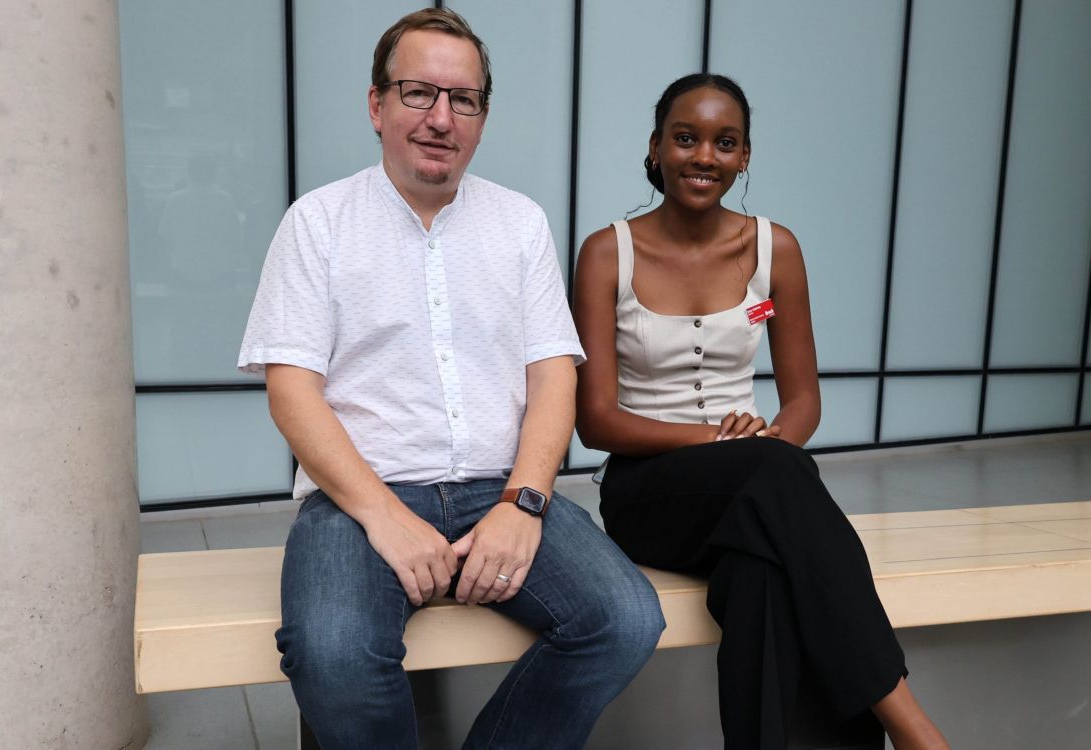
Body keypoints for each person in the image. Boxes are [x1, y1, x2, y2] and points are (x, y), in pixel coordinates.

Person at [237, 9, 663, 750]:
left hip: (497, 487)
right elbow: (292, 390)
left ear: (482, 116)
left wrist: (525, 503)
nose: (441, 118)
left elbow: (553, 376)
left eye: (462, 99)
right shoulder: (319, 222)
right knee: (333, 655)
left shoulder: (519, 222)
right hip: (358, 496)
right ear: (376, 105)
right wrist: (384, 517)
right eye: (417, 93)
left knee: (625, 618)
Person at [573, 73, 949, 750]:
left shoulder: (777, 248)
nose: (704, 156)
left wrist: (769, 438)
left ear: (745, 156)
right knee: (773, 477)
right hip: (648, 492)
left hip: (755, 481)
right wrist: (717, 443)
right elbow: (595, 420)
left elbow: (803, 399)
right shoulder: (607, 254)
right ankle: (915, 728)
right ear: (656, 147)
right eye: (685, 139)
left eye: (725, 142)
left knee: (762, 577)